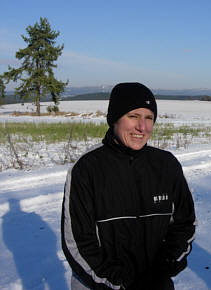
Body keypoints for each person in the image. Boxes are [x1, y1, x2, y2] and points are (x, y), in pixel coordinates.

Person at [61, 82, 196, 290]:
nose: (142, 127)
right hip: (102, 285)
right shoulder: (87, 169)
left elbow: (185, 223)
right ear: (114, 119)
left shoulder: (166, 165)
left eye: (149, 118)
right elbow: (78, 243)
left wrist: (168, 262)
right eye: (133, 116)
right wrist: (117, 281)